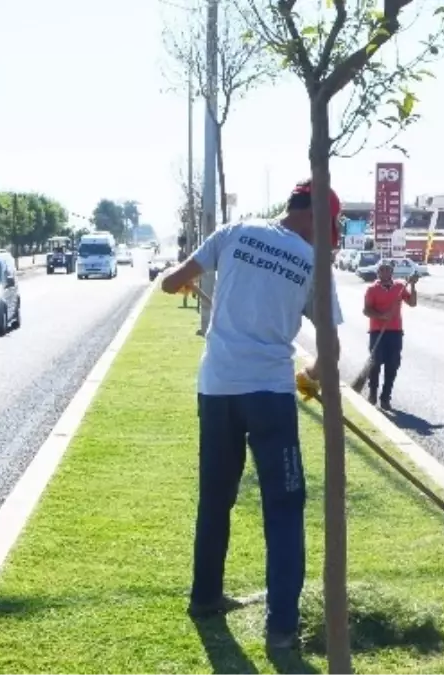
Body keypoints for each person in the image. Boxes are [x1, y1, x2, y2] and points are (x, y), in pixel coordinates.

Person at [159, 179, 343, 651]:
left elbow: (170, 282)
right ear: (314, 217)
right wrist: (313, 374)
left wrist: (184, 279)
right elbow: (329, 344)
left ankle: (205, 598)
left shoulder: (234, 232)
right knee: (284, 508)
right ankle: (282, 628)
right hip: (270, 395)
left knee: (215, 498)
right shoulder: (311, 262)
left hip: (218, 388)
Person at [362, 260, 417, 409]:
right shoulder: (372, 289)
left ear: (392, 272)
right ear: (378, 272)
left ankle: (386, 397)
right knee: (376, 362)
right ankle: (373, 391)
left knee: (392, 365)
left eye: (388, 270)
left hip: (395, 332)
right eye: (382, 270)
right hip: (377, 332)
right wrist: (381, 316)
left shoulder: (400, 286)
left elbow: (412, 303)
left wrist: (412, 285)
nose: (385, 272)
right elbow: (366, 310)